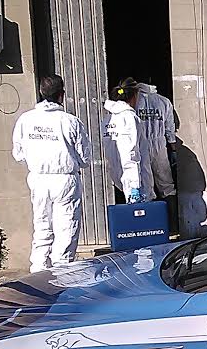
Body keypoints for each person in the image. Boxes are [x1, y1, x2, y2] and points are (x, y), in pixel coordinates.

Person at [12, 74, 92, 273]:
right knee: (66, 227)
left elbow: (18, 153)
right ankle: (62, 271)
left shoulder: (25, 120)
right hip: (65, 179)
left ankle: (38, 271)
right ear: (61, 95)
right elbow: (85, 158)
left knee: (41, 225)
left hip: (38, 178)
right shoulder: (70, 121)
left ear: (41, 92)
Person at [134, 80, 179, 230]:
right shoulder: (164, 101)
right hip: (159, 146)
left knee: (144, 186)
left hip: (140, 145)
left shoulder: (134, 100)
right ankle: (173, 224)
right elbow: (170, 129)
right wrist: (173, 150)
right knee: (167, 185)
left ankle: (149, 226)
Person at [103, 79, 148, 203]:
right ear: (134, 96)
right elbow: (130, 152)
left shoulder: (108, 119)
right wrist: (134, 186)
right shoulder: (129, 118)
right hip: (134, 181)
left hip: (118, 178)